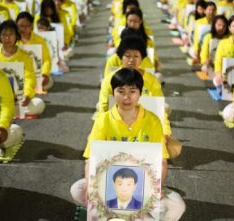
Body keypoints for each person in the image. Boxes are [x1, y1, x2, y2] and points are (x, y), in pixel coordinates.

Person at [70, 67, 185, 220]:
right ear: (113, 93)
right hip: (108, 182)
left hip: (142, 184)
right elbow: (91, 159)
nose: (126, 97)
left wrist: (156, 188)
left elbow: (162, 162)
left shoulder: (153, 121)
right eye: (121, 91)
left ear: (140, 93)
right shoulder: (103, 120)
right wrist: (92, 187)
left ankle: (123, 214)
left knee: (177, 206)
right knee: (78, 190)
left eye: (132, 91)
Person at [0, 20, 45, 116]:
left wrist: (27, 95)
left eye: (10, 35)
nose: (7, 38)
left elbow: (29, 78)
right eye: (4, 35)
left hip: (19, 101)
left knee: (39, 104)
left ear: (17, 36)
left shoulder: (24, 56)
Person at [16, 12, 53, 91]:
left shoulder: (39, 40)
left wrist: (45, 74)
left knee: (48, 82)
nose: (23, 29)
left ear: (32, 25)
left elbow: (47, 59)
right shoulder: (13, 40)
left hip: (36, 75)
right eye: (20, 26)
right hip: (18, 76)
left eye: (26, 26)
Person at [213, 15, 234, 87]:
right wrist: (218, 74)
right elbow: (218, 62)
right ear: (229, 28)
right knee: (216, 81)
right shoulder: (223, 43)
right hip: (227, 76)